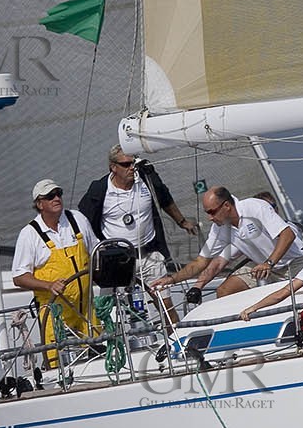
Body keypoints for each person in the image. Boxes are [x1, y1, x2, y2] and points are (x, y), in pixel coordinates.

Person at [149, 186, 303, 301]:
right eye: (207, 213)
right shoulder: (220, 228)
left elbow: (287, 234)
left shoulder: (254, 207)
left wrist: (268, 263)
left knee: (300, 299)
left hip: (294, 263)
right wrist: (173, 280)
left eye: (212, 212)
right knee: (224, 291)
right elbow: (203, 261)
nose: (209, 218)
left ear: (227, 206)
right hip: (263, 268)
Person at [76, 146, 197, 292]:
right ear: (113, 167)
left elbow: (165, 199)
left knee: (165, 304)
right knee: (116, 305)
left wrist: (182, 222)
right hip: (117, 258)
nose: (132, 168)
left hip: (149, 254)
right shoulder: (100, 189)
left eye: (133, 163)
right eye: (126, 164)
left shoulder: (146, 180)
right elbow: (83, 220)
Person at [11, 180, 100, 369]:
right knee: (55, 366)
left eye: (58, 193)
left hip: (86, 309)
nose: (57, 198)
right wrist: (49, 285)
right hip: (54, 315)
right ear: (39, 204)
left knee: (98, 359)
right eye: (50, 196)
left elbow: (97, 252)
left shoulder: (77, 219)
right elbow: (19, 277)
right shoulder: (29, 234)